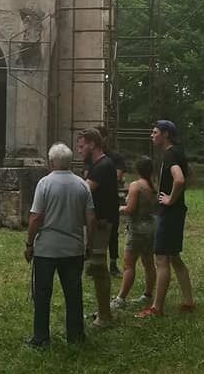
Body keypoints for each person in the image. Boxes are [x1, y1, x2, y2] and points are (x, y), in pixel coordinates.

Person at [24, 143, 95, 347]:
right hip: (73, 248)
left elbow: (36, 217)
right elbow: (91, 218)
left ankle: (40, 338)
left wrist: (29, 243)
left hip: (47, 249)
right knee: (74, 294)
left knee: (43, 295)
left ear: (51, 161)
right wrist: (89, 244)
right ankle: (75, 336)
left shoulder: (44, 183)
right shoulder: (82, 184)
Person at [136, 120, 194, 318]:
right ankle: (188, 301)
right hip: (176, 212)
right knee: (174, 256)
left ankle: (156, 308)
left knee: (161, 258)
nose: (152, 135)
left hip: (169, 213)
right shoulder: (178, 152)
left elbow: (180, 179)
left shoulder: (170, 155)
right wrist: (178, 196)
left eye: (155, 132)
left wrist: (170, 199)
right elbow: (189, 174)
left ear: (166, 134)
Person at [77, 128, 119, 328]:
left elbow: (83, 191)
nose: (79, 150)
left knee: (99, 268)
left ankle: (104, 316)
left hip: (102, 223)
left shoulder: (103, 165)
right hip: (99, 222)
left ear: (92, 144)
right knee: (96, 267)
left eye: (82, 146)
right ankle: (103, 311)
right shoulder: (99, 164)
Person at [110, 156, 157, 310]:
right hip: (151, 227)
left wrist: (119, 208)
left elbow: (130, 209)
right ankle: (148, 294)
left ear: (137, 170)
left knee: (128, 265)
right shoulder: (152, 186)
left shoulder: (135, 186)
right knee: (148, 262)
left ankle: (121, 298)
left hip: (137, 229)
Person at [95, 125, 126, 277]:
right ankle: (94, 264)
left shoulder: (116, 157)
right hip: (95, 201)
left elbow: (118, 177)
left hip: (111, 200)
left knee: (113, 233)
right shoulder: (91, 157)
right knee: (94, 231)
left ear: (105, 138)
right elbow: (87, 176)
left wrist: (100, 179)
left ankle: (113, 264)